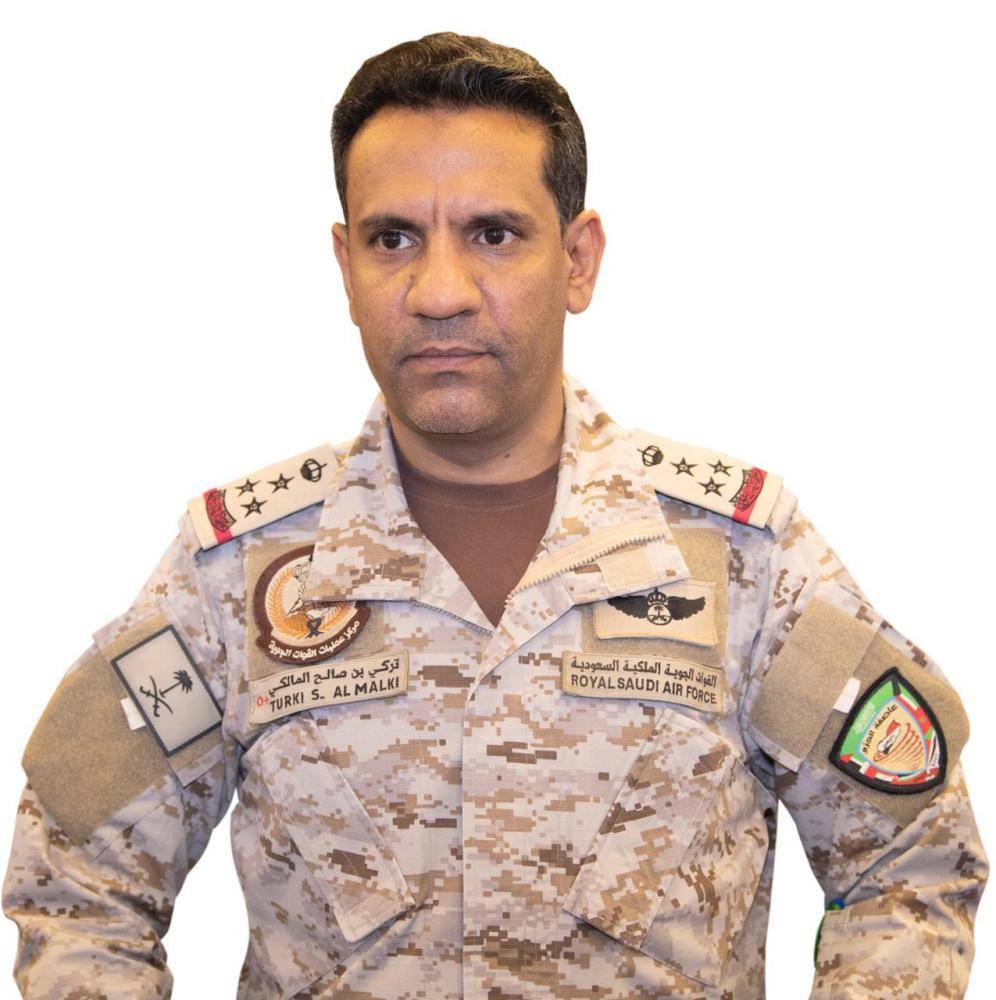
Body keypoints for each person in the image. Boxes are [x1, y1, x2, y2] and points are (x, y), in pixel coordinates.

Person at [2, 30, 988, 1000]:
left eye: (493, 235)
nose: (439, 292)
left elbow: (908, 861)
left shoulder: (742, 559)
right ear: (346, 266)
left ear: (578, 260)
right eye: (394, 239)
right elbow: (78, 885)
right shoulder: (237, 571)